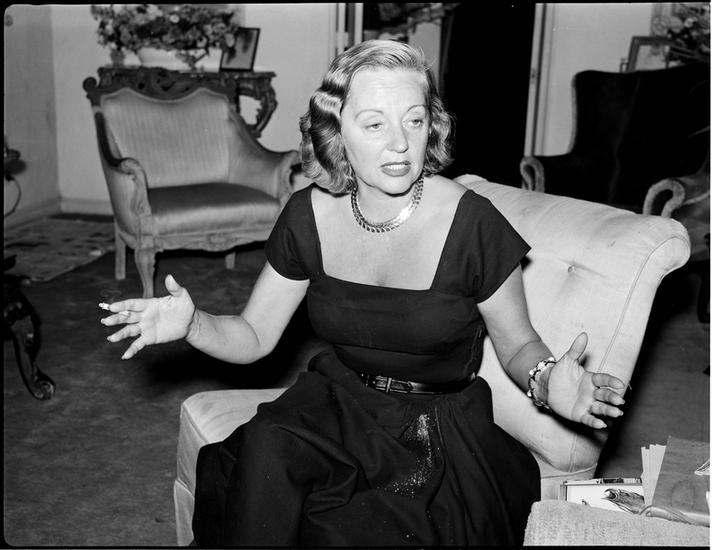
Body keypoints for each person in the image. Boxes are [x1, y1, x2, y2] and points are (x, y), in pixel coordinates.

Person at [100, 39, 626, 546]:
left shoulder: (472, 224)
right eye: (374, 124)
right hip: (339, 401)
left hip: (435, 429)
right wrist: (194, 324)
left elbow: (518, 345)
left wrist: (546, 379)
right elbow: (254, 335)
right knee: (260, 460)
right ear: (337, 132)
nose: (400, 143)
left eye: (414, 120)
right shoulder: (307, 214)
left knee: (350, 529)